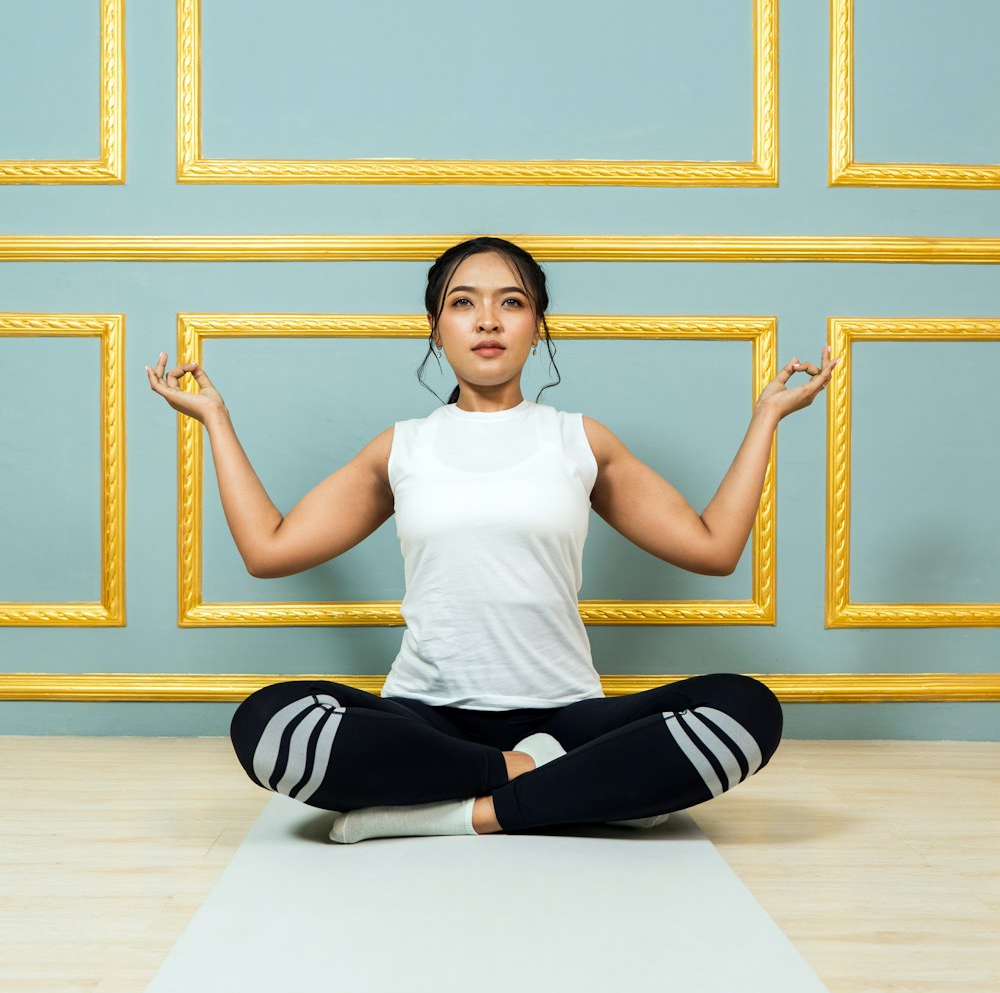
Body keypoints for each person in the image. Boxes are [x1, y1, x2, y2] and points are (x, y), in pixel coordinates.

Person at [145, 236, 838, 844]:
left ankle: (445, 815)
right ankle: (565, 790)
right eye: (463, 303)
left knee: (746, 708)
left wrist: (767, 418)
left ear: (537, 327)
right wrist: (215, 420)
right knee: (266, 721)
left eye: (510, 303)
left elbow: (713, 550)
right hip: (426, 722)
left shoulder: (578, 440)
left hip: (566, 718)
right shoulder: (403, 448)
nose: (486, 320)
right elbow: (270, 551)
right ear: (435, 327)